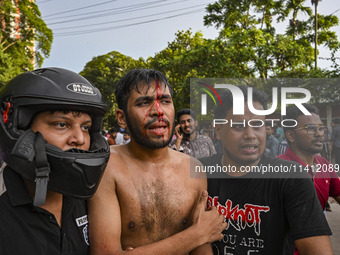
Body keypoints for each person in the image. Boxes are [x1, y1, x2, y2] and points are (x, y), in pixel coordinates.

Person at [88, 69, 227, 254]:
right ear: (122, 118)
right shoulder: (107, 166)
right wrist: (197, 234)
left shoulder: (193, 168)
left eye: (165, 101)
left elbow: (201, 249)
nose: (158, 111)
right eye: (144, 102)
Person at [200, 85, 333, 255]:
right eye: (239, 126)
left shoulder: (291, 177)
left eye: (257, 125)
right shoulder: (199, 172)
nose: (250, 135)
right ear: (218, 130)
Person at [0, 67, 110, 254]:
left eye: (85, 127)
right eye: (61, 124)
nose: (80, 139)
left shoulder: (92, 199)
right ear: (19, 129)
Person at [278, 104, 340, 254]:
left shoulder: (324, 165)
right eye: (311, 129)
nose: (319, 134)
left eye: (321, 128)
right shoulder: (277, 170)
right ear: (291, 135)